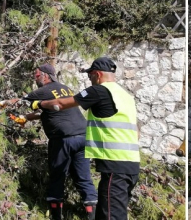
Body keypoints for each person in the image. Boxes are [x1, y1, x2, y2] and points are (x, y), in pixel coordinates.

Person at [36, 57, 140, 220]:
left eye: (89, 75)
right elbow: (136, 130)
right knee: (108, 212)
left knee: (111, 216)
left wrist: (38, 104)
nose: (89, 79)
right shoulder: (125, 95)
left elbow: (61, 104)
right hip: (131, 164)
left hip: (115, 164)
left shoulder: (99, 91)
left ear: (97, 74)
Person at [14, 64, 98, 220]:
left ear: (46, 76)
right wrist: (26, 117)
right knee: (84, 177)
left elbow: (19, 101)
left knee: (57, 177)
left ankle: (56, 216)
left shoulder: (44, 90)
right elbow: (53, 111)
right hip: (82, 138)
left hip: (63, 139)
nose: (35, 78)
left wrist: (4, 103)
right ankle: (92, 216)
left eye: (37, 75)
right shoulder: (65, 88)